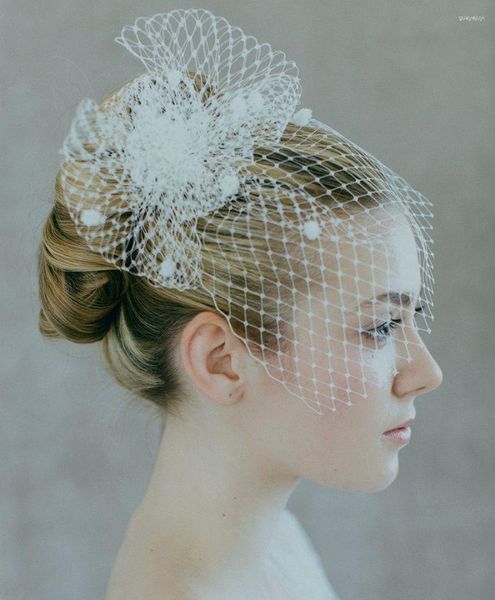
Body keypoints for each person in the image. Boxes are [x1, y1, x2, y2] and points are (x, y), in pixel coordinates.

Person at [37, 9, 443, 599]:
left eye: (412, 318)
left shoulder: (276, 544)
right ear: (222, 360)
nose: (426, 373)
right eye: (380, 326)